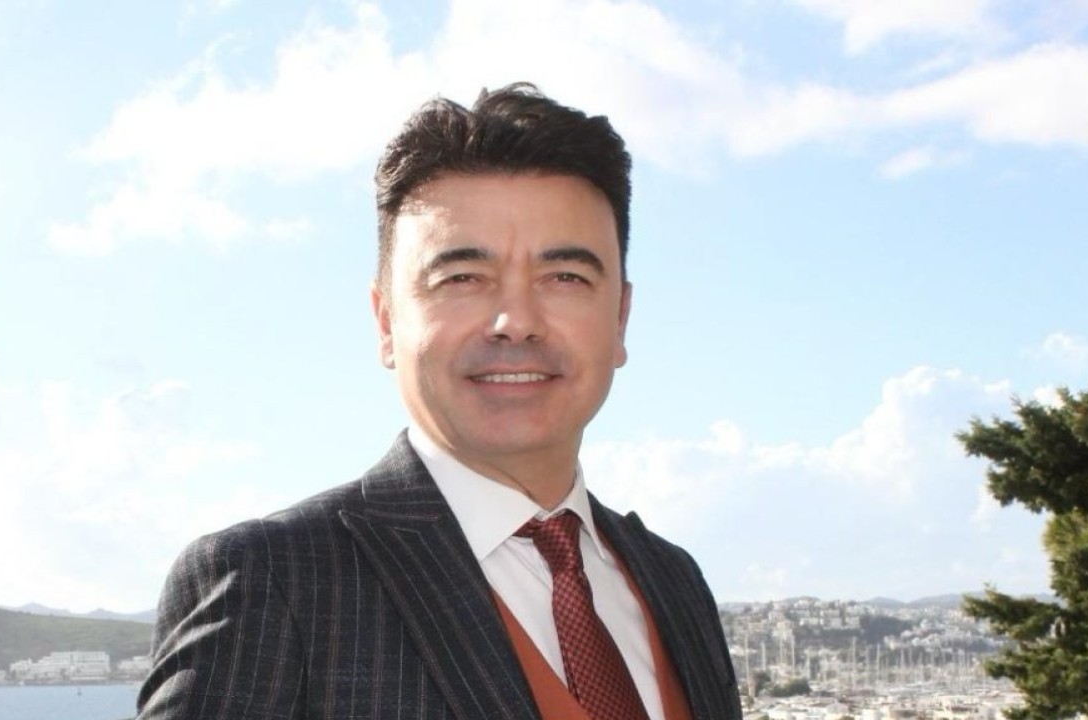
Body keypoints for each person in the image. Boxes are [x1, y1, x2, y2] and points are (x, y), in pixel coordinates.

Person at [137, 83, 742, 720]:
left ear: (619, 319)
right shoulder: (272, 581)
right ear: (385, 322)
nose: (516, 321)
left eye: (565, 277)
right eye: (462, 277)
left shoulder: (674, 580)